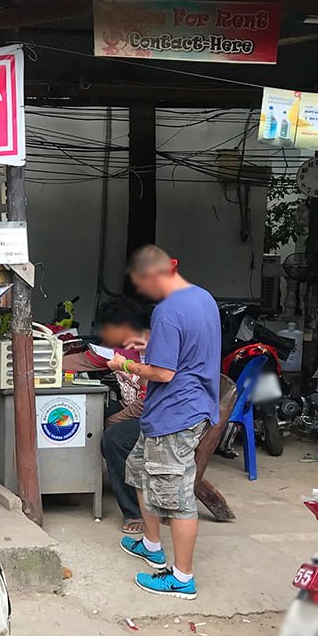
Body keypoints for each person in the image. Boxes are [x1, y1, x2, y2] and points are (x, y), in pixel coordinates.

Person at [110, 245, 219, 600]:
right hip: (181, 407)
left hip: (177, 413)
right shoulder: (202, 297)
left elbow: (163, 372)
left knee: (177, 496)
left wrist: (124, 365)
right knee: (139, 468)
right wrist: (150, 345)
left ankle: (181, 577)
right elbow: (186, 348)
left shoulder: (167, 311)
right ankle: (151, 543)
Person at [68, 299, 152, 535]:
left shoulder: (155, 352)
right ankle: (79, 484)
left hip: (156, 417)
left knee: (113, 438)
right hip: (130, 409)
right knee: (86, 416)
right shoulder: (117, 350)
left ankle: (134, 511)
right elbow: (84, 360)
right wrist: (40, 362)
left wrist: (110, 422)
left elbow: (147, 405)